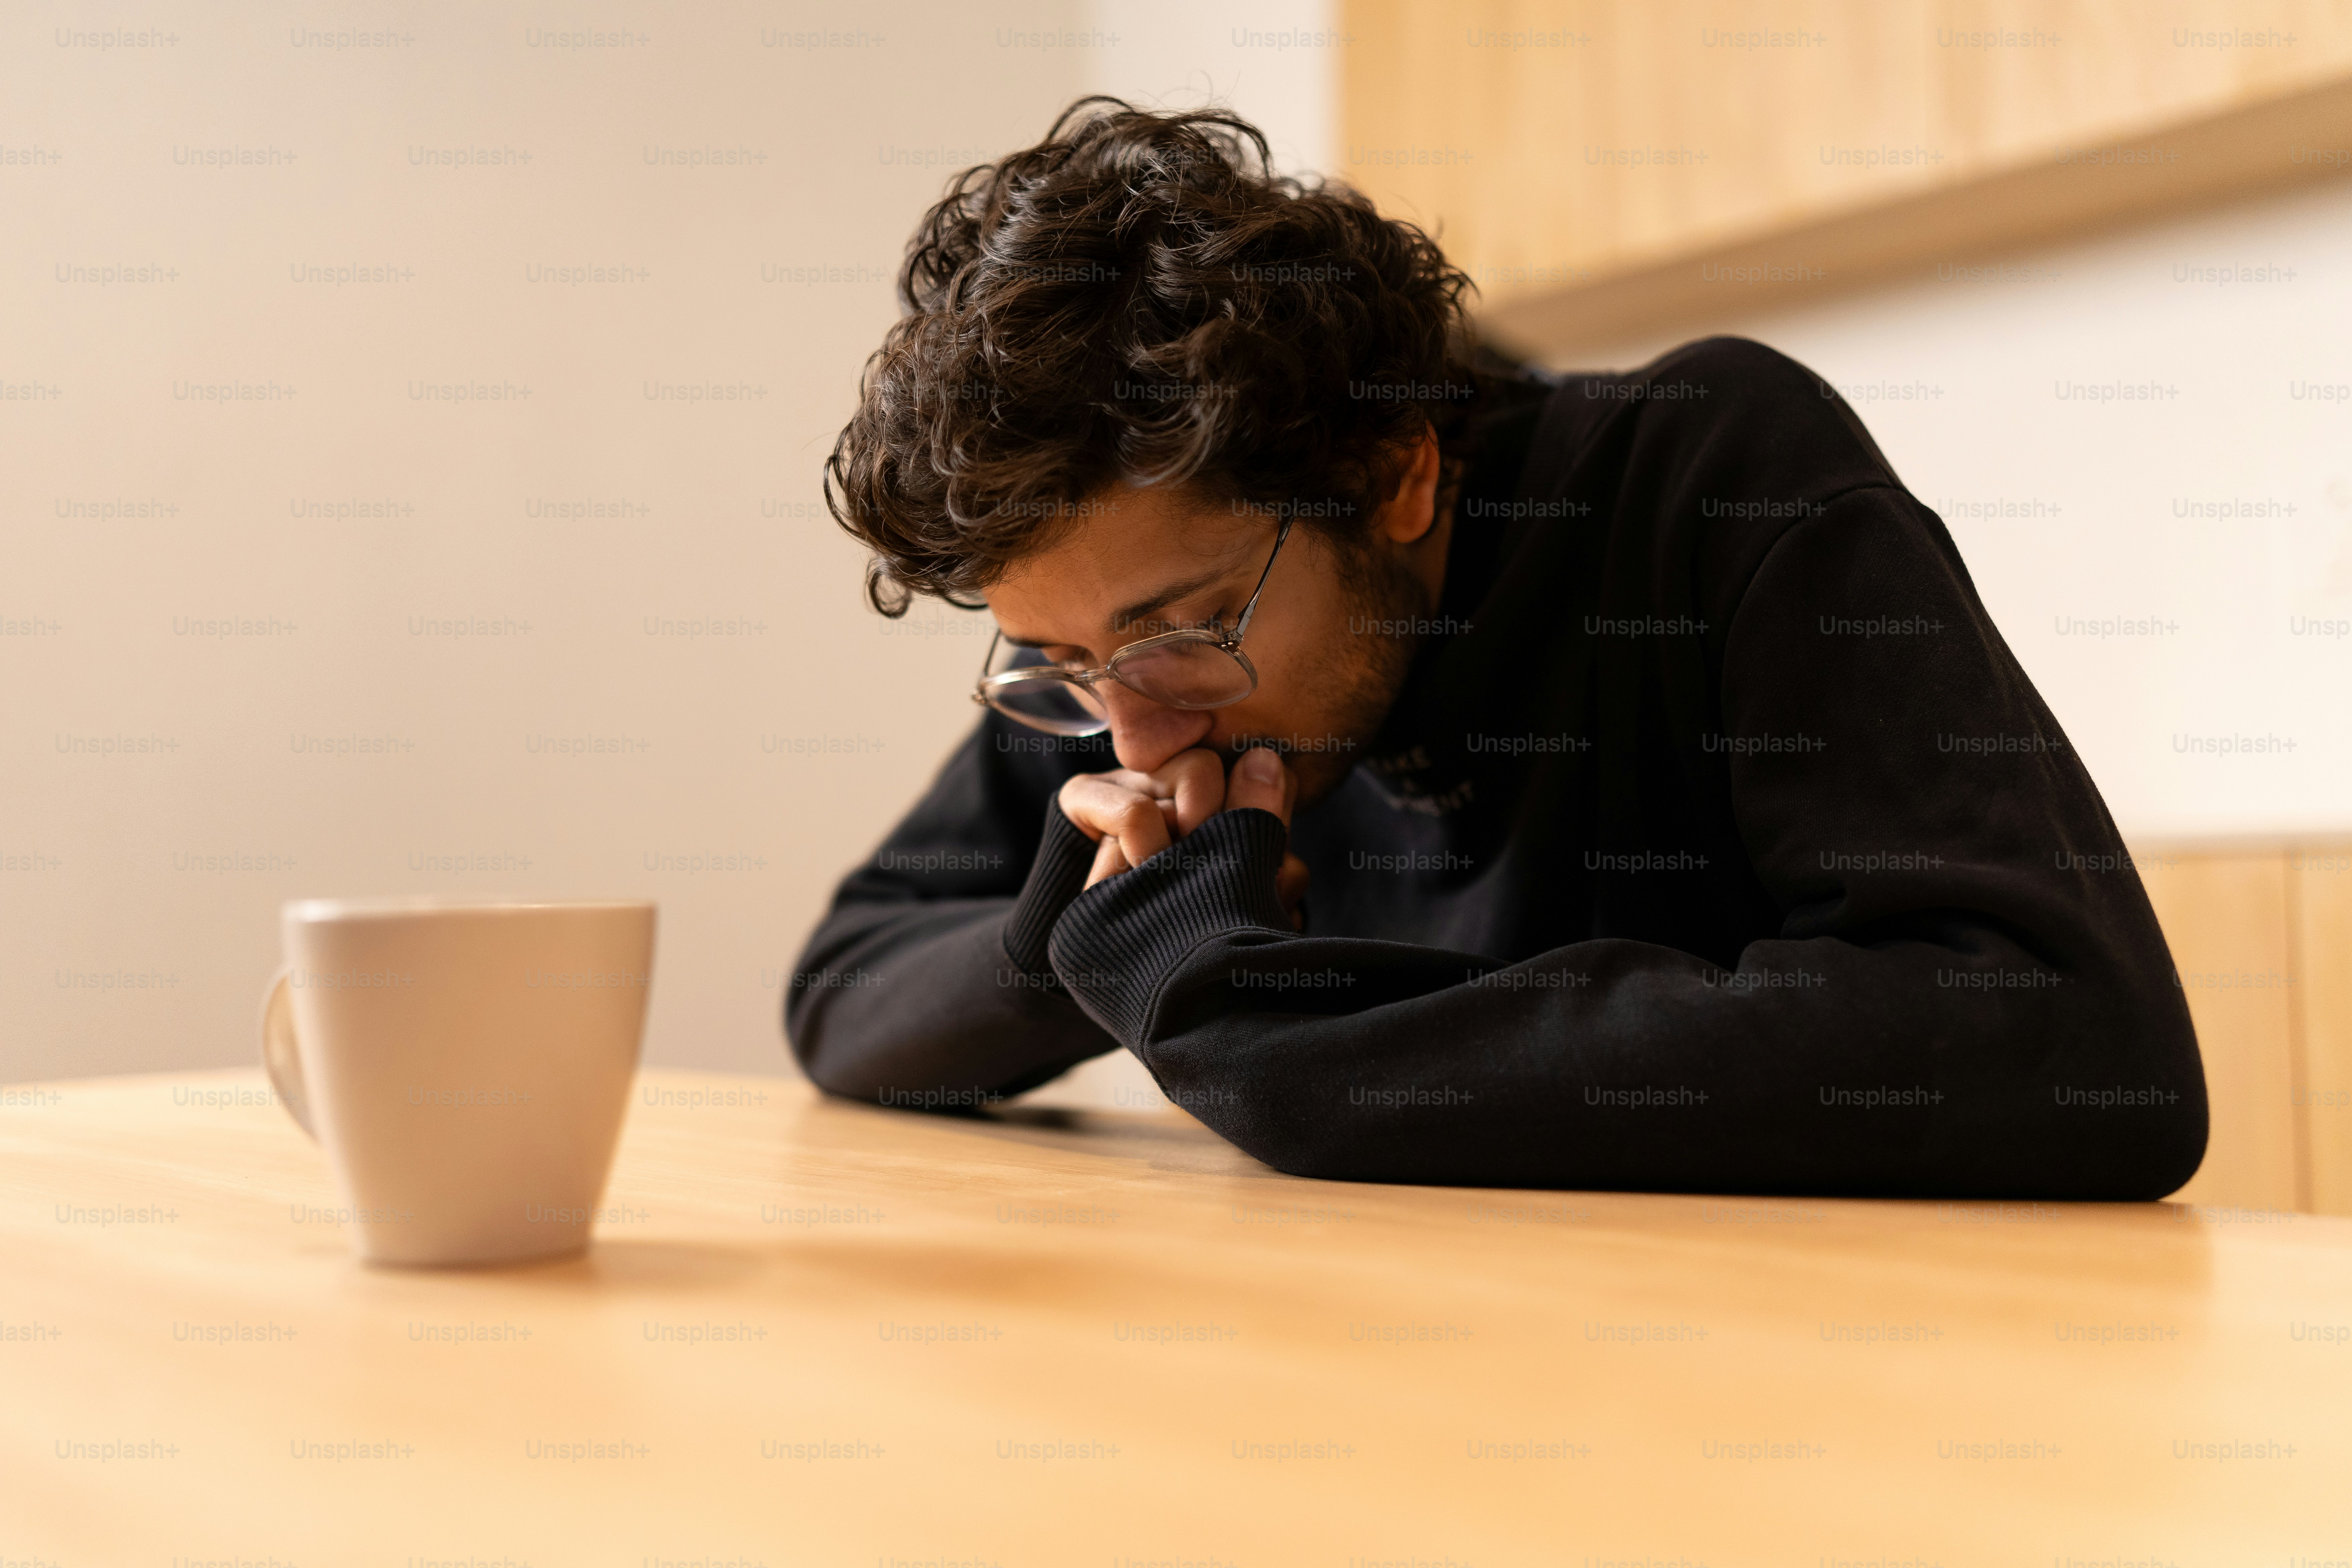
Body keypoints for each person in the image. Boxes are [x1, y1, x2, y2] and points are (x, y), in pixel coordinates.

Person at [784, 98, 2207, 1199]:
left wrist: (1266, 1029)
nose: (1135, 735)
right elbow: (842, 999)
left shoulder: (1710, 473)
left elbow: (2077, 1044)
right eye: (1056, 663)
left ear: (1396, 472)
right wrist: (1068, 940)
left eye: (1186, 634)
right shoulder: (1117, 645)